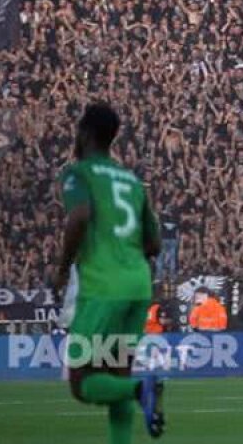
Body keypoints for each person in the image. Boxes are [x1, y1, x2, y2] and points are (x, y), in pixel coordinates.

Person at [51, 103, 166, 441]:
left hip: (103, 289)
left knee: (82, 383)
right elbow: (155, 242)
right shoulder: (131, 181)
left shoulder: (79, 173)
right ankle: (133, 392)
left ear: (84, 133)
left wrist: (62, 269)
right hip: (138, 285)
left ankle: (139, 389)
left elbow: (79, 217)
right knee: (116, 372)